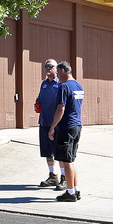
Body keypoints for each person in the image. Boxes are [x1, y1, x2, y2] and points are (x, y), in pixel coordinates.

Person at [48, 61, 84, 202]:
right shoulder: (78, 86)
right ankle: (75, 189)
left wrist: (52, 127)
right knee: (71, 159)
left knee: (66, 160)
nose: (57, 76)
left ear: (63, 71)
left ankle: (70, 193)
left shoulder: (64, 87)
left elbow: (61, 108)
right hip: (77, 126)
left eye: (58, 72)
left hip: (66, 127)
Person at [34, 58, 63, 187]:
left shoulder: (61, 84)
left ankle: (64, 177)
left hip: (56, 124)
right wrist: (37, 104)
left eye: (50, 66)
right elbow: (39, 98)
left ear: (56, 68)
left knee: (59, 152)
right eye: (46, 66)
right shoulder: (44, 84)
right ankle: (52, 176)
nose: (47, 68)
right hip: (44, 122)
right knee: (47, 152)